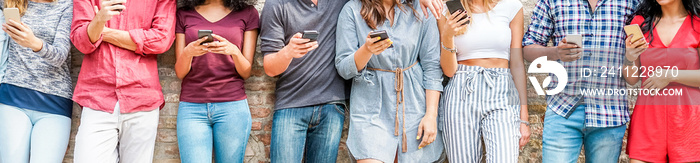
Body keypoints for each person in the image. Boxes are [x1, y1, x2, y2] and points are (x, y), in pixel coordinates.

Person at [522, 0, 639, 162]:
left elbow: (634, 70)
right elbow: (528, 49)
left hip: (610, 114)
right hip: (562, 111)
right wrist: (556, 52)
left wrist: (631, 55)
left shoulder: (630, 2)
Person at [335, 0, 443, 162]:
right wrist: (366, 50)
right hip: (371, 107)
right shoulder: (352, 10)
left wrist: (431, 115)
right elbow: (344, 68)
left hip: (414, 105)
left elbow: (432, 66)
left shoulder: (420, 8)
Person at [70, 0, 176, 162]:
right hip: (97, 98)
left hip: (141, 96)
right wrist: (99, 20)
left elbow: (161, 40)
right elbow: (81, 42)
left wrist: (102, 31)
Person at [437, 0, 530, 162]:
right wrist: (447, 35)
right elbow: (449, 70)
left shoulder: (512, 7)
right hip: (461, 89)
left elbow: (516, 64)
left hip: (502, 89)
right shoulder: (446, 10)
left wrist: (524, 116)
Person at [174, 0, 259, 162]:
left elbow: (246, 72)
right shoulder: (184, 13)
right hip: (192, 107)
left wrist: (234, 51)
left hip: (232, 107)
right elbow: (180, 72)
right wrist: (188, 53)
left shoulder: (248, 13)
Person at [623, 0, 700, 162]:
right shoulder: (641, 23)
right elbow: (631, 79)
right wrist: (629, 56)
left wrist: (671, 75)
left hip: (688, 120)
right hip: (647, 119)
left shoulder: (697, 23)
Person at [0, 0, 73, 162]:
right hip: (12, 98)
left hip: (54, 104)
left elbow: (60, 56)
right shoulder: (11, 3)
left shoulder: (66, 5)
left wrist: (34, 43)